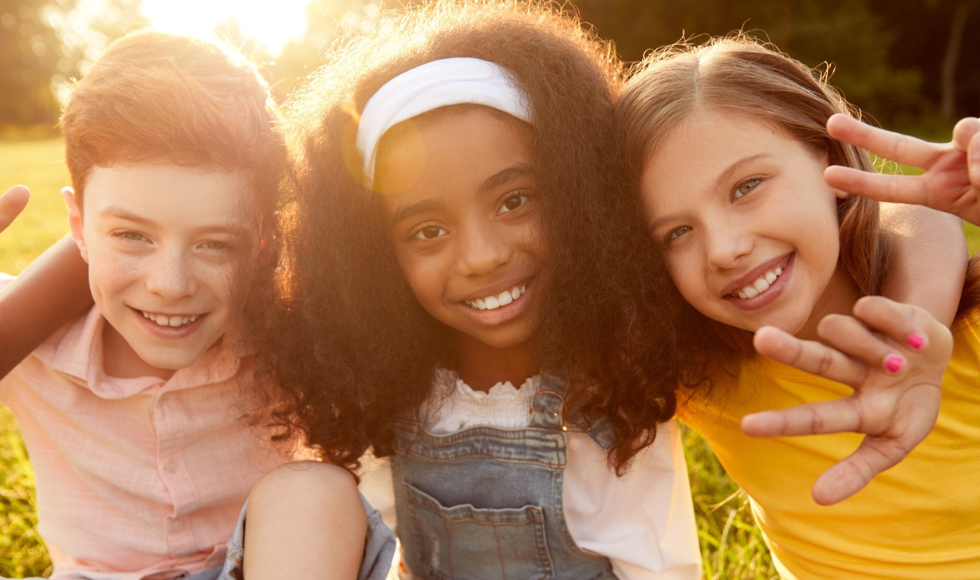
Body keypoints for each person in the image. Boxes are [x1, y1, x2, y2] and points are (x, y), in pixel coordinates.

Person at [244, 2, 702, 578]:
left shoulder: (609, 405)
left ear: (579, 197)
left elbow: (657, 565)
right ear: (373, 262)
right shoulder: (390, 401)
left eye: (514, 201)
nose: (483, 256)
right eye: (427, 231)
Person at [0, 31, 392, 580]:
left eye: (214, 244)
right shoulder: (26, 335)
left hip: (268, 563)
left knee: (315, 491)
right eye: (132, 236)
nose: (170, 284)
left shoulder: (295, 336)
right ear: (78, 227)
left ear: (263, 245)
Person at [617, 35, 980, 579]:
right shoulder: (698, 373)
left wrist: (916, 324)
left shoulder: (964, 328)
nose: (723, 249)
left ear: (829, 159)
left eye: (748, 186)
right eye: (676, 233)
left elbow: (914, 222)